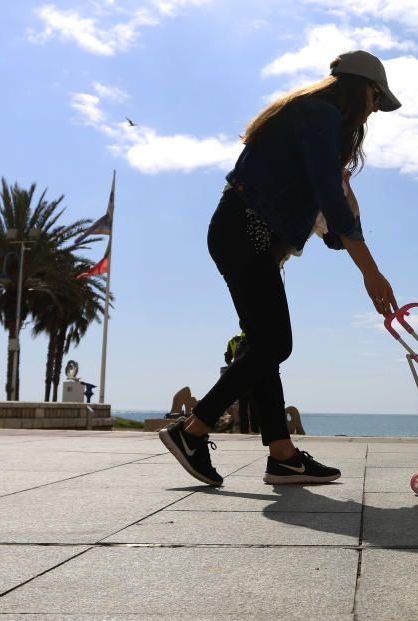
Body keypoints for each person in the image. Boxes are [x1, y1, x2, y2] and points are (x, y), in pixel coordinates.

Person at [160, 50, 401, 487]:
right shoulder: (318, 114)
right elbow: (330, 203)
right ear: (355, 87)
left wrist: (344, 195)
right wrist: (372, 273)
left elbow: (331, 226)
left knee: (263, 346)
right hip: (244, 232)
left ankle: (282, 455)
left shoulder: (312, 121)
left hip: (242, 235)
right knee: (275, 344)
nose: (374, 109)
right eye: (374, 97)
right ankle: (192, 430)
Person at [224, 332, 259, 434]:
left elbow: (228, 358)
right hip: (253, 374)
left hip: (239, 375)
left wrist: (232, 368)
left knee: (243, 404)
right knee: (254, 404)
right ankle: (255, 430)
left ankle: (244, 430)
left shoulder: (233, 340)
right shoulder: (255, 337)